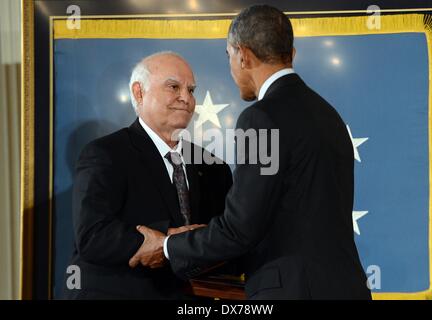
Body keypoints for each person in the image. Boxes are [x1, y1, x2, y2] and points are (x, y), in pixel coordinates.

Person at [128, 5, 372, 300]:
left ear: (242, 55)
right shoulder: (327, 114)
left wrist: (168, 246)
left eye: (229, 56)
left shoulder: (261, 118)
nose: (231, 68)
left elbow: (240, 229)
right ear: (290, 54)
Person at [62, 52, 232, 299]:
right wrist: (168, 241)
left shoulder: (215, 167)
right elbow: (93, 236)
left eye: (191, 90)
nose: (186, 98)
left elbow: (224, 237)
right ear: (139, 92)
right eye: (173, 86)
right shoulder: (106, 154)